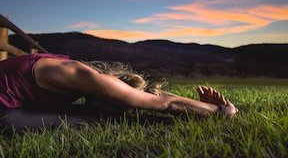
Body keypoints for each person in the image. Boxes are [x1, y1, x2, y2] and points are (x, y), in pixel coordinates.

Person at [0, 53, 238, 129]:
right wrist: (220, 110)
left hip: (12, 107)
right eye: (122, 102)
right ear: (114, 86)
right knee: (93, 119)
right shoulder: (86, 77)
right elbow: (165, 103)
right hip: (4, 111)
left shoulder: (76, 77)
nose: (124, 107)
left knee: (99, 117)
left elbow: (153, 100)